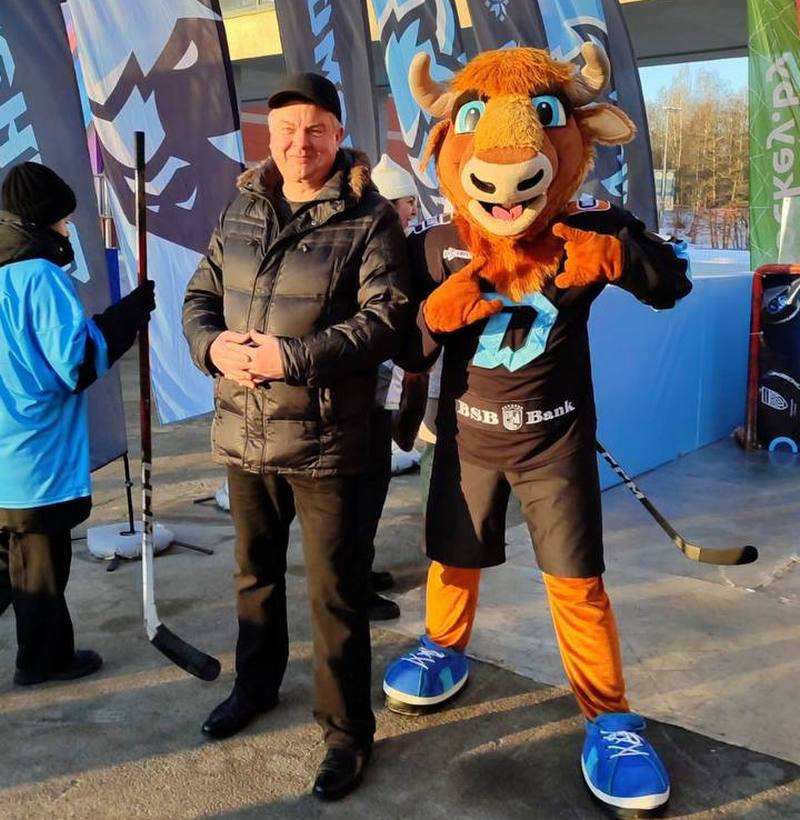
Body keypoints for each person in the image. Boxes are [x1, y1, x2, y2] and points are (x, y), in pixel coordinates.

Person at [382, 46, 691, 816]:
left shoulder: (591, 224)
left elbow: (671, 284)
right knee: (452, 559)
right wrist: (434, 316)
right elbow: (406, 352)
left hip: (556, 439)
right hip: (468, 439)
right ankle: (444, 646)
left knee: (577, 582)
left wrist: (619, 257)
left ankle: (609, 718)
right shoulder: (437, 245)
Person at [182, 73, 411, 801]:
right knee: (254, 574)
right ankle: (254, 686)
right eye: (285, 130)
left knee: (335, 591)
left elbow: (385, 321)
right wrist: (211, 346)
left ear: (338, 134)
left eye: (314, 130)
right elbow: (200, 295)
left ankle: (346, 733)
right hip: (244, 429)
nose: (298, 144)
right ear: (270, 137)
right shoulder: (242, 206)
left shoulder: (370, 219)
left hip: (325, 441)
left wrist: (294, 357)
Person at [0, 161, 155, 685]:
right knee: (40, 565)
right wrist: (126, 318)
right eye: (65, 221)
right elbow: (76, 363)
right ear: (42, 220)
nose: (69, 230)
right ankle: (42, 660)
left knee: (9, 558)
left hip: (6, 448)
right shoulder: (38, 275)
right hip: (35, 451)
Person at [358, 153, 421, 621]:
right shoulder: (370, 247)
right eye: (407, 203)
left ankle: (360, 568)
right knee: (360, 488)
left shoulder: (399, 245)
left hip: (383, 384)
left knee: (375, 481)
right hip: (362, 387)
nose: (414, 210)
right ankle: (352, 584)